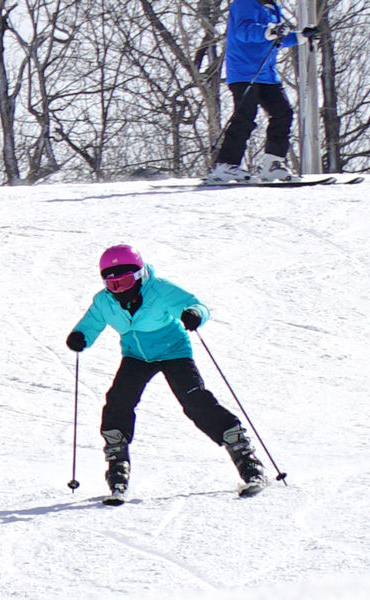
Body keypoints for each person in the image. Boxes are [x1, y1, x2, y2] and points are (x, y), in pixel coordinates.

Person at [63, 245, 267, 504]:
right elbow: (92, 322)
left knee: (195, 401)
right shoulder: (104, 301)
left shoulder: (158, 289)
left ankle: (247, 460)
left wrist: (194, 315)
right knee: (118, 402)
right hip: (136, 356)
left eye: (125, 281)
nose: (120, 290)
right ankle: (117, 468)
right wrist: (81, 336)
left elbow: (196, 304)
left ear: (139, 276)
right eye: (112, 285)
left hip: (174, 352)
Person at [206, 0, 317, 184]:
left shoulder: (273, 8)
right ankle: (225, 165)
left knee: (283, 113)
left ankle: (273, 163)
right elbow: (244, 31)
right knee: (245, 115)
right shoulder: (244, 3)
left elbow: (276, 39)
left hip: (266, 73)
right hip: (243, 72)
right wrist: (270, 31)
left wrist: (301, 36)